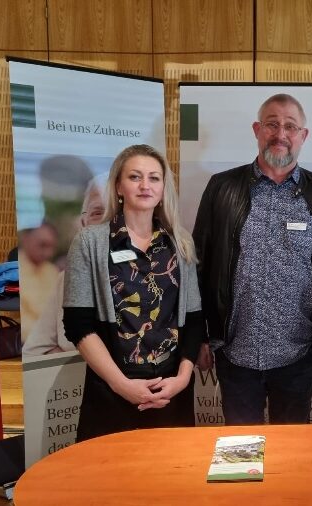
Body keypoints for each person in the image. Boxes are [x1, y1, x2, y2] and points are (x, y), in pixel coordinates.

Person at [193, 93, 312, 425]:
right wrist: (200, 335)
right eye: (272, 124)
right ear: (257, 129)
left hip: (298, 354)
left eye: (290, 126)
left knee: (292, 453)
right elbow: (199, 264)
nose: (281, 134)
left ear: (303, 136)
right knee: (240, 449)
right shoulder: (222, 189)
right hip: (234, 351)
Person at [62, 144, 203, 441]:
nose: (145, 185)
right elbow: (78, 325)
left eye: (154, 178)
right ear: (119, 186)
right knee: (111, 481)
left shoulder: (180, 243)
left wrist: (183, 378)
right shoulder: (90, 243)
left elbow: (193, 319)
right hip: (113, 391)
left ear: (163, 188)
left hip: (170, 390)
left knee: (171, 479)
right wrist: (121, 385)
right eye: (135, 177)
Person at [23, 176, 106, 356]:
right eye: (98, 213)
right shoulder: (66, 278)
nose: (109, 222)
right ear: (83, 224)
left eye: (118, 212)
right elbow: (34, 350)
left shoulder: (161, 273)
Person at [18, 222, 60, 339]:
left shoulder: (52, 271)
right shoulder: (10, 271)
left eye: (52, 247)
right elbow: (18, 323)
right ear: (25, 239)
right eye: (42, 245)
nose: (48, 253)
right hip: (26, 345)